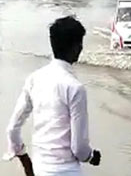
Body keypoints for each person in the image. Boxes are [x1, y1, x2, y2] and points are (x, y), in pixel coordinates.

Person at [4, 16, 101, 176]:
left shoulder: (34, 78)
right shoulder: (76, 88)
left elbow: (13, 129)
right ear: (77, 47)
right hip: (66, 171)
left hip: (40, 168)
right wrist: (91, 156)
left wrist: (26, 161)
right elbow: (79, 149)